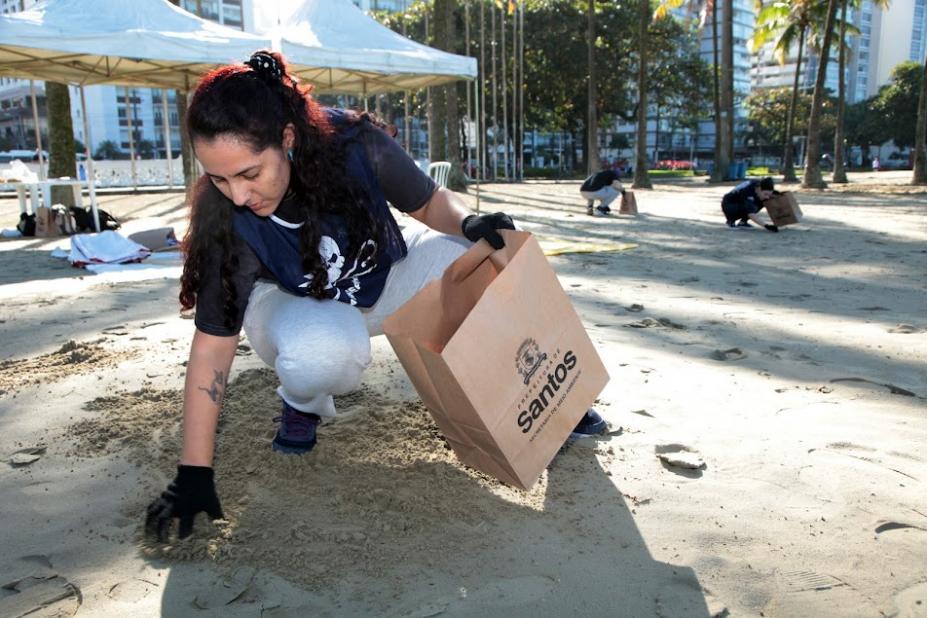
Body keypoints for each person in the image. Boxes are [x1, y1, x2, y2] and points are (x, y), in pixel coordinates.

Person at [144, 51, 608, 542]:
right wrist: (194, 471)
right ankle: (303, 402)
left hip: (384, 272)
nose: (237, 194)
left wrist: (467, 222)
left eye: (249, 174)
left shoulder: (353, 144)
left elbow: (428, 201)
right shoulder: (228, 219)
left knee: (485, 260)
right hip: (293, 303)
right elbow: (213, 349)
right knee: (322, 356)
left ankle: (552, 399)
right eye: (219, 177)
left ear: (287, 137)